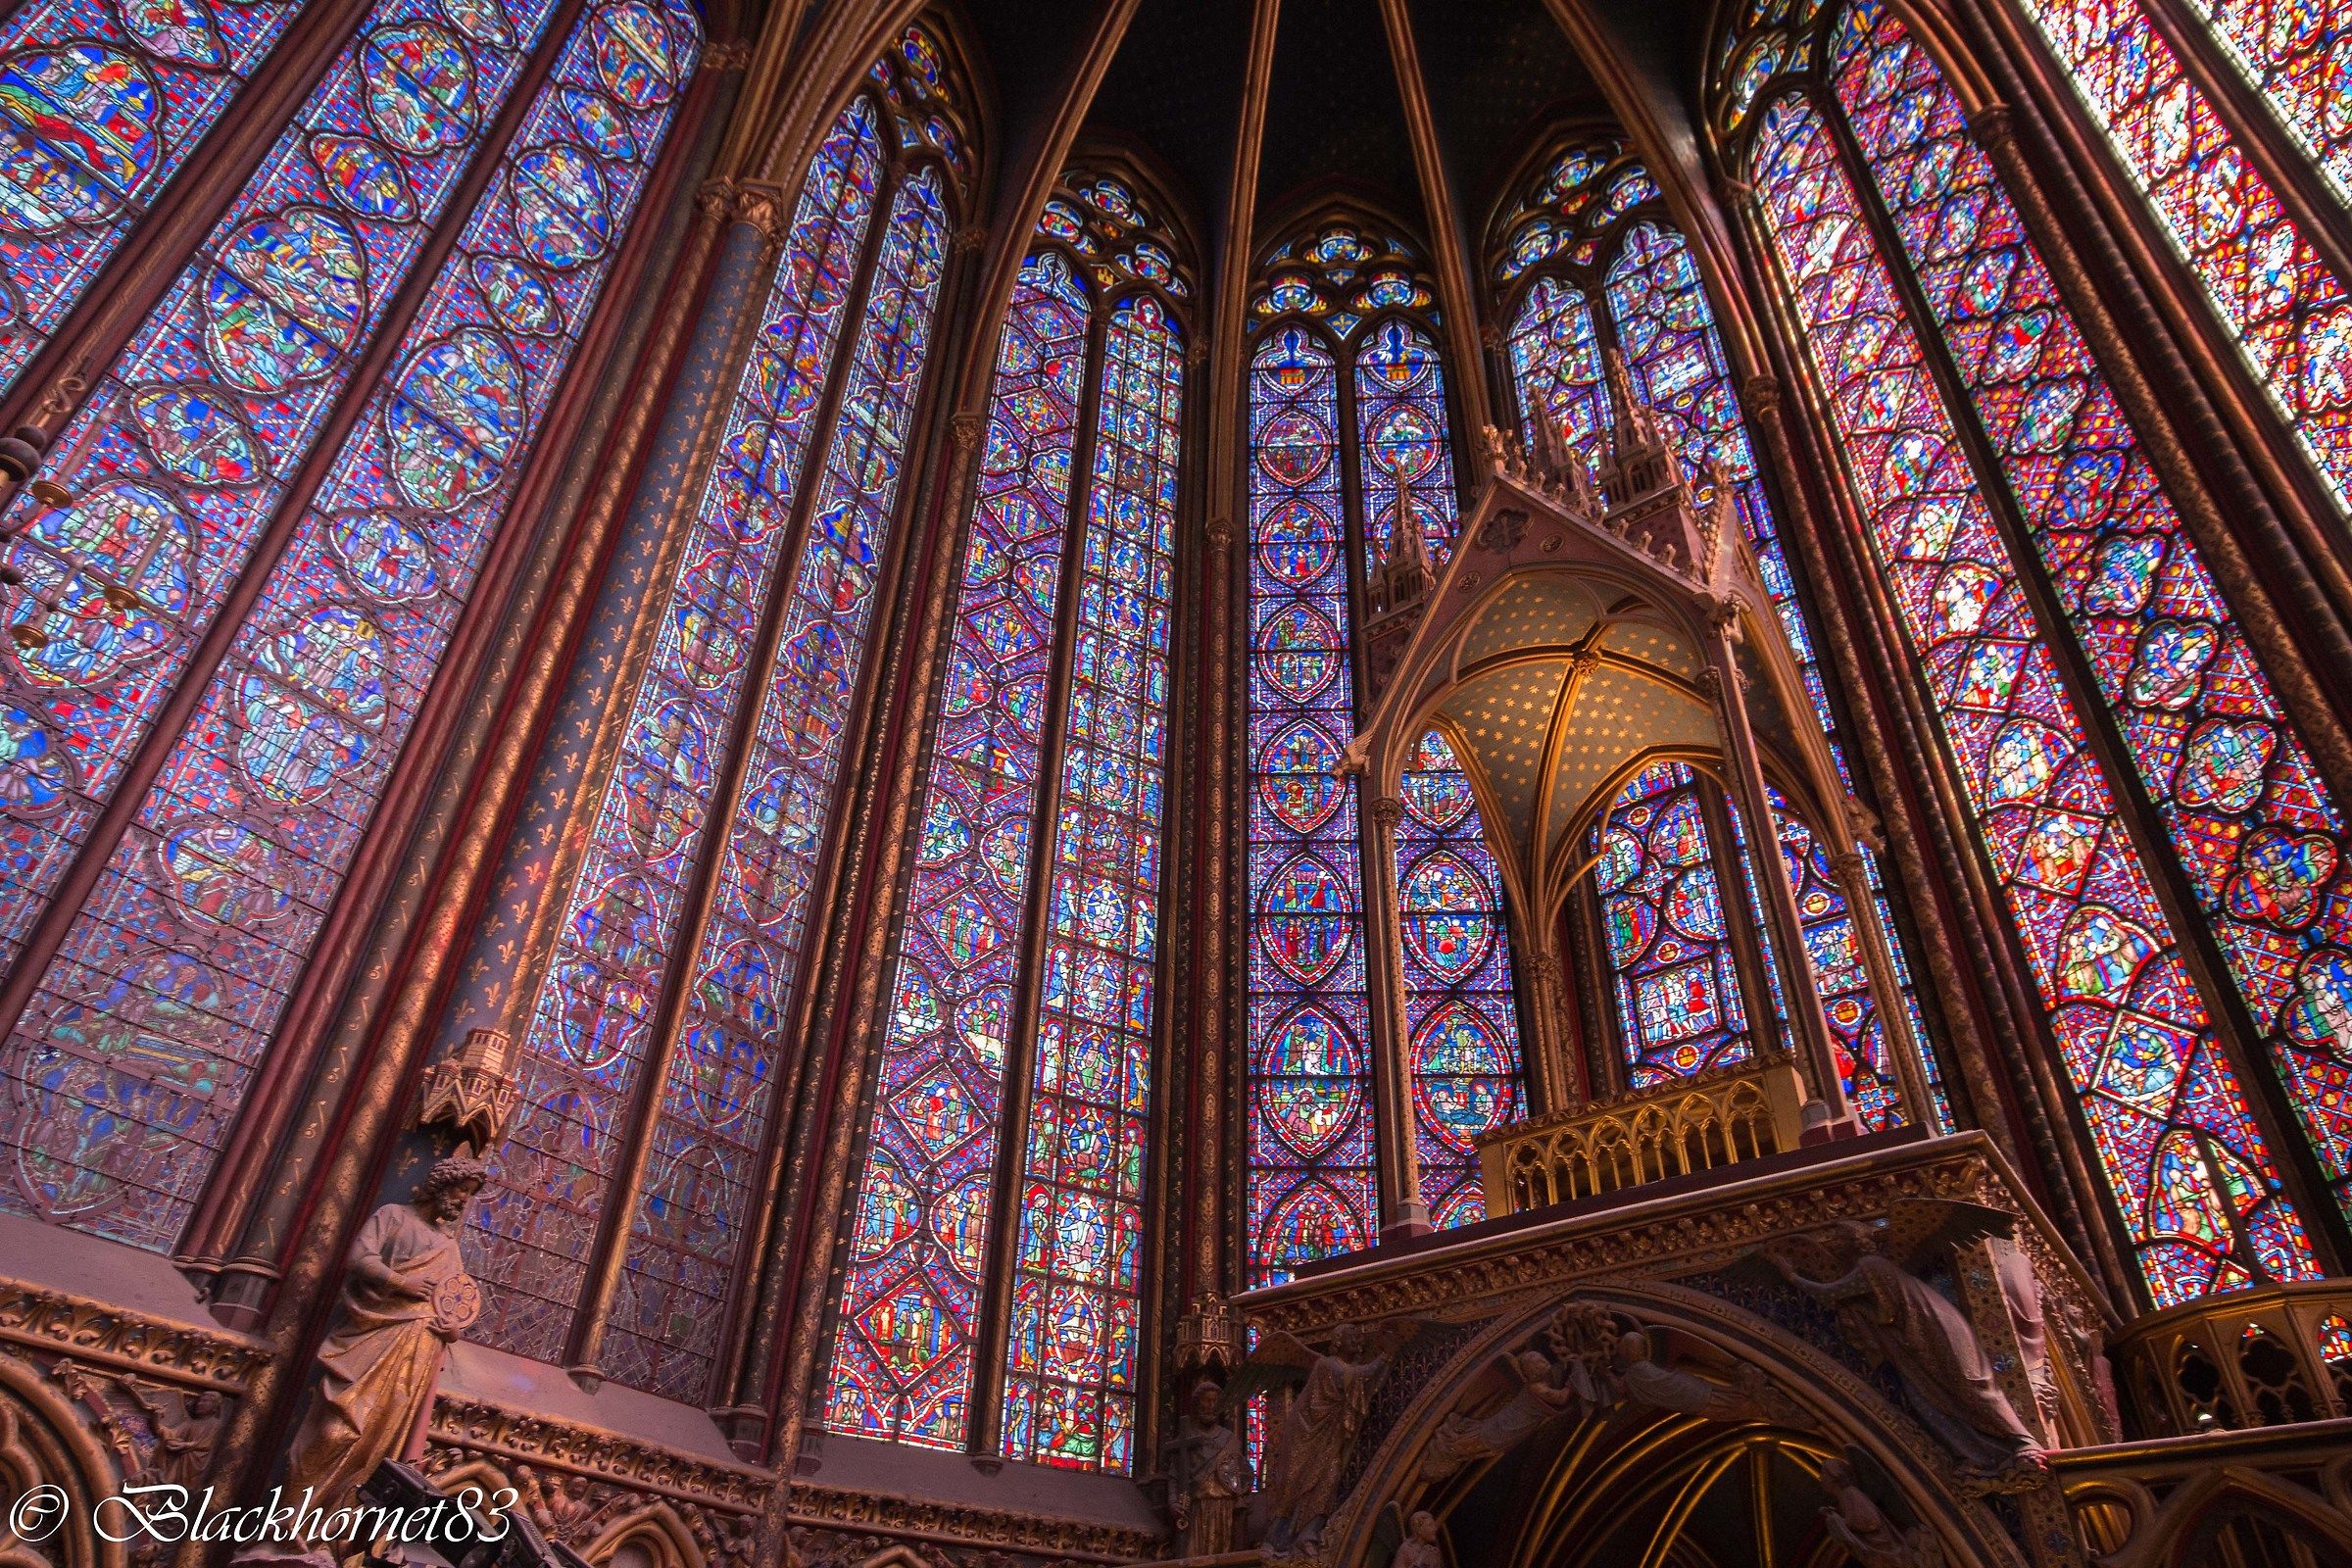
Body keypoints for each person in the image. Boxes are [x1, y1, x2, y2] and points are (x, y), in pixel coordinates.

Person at [281, 1157, 488, 1533]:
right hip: (375, 1334)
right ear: (442, 1184)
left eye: (469, 1195)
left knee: (379, 1442)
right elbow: (359, 1257)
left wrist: (451, 1330)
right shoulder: (394, 1216)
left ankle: (330, 1533)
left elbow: (456, 1307)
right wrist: (399, 1282)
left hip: (419, 1352)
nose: (463, 1200)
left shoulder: (448, 1246)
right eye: (461, 1189)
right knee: (337, 1430)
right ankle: (291, 1525)